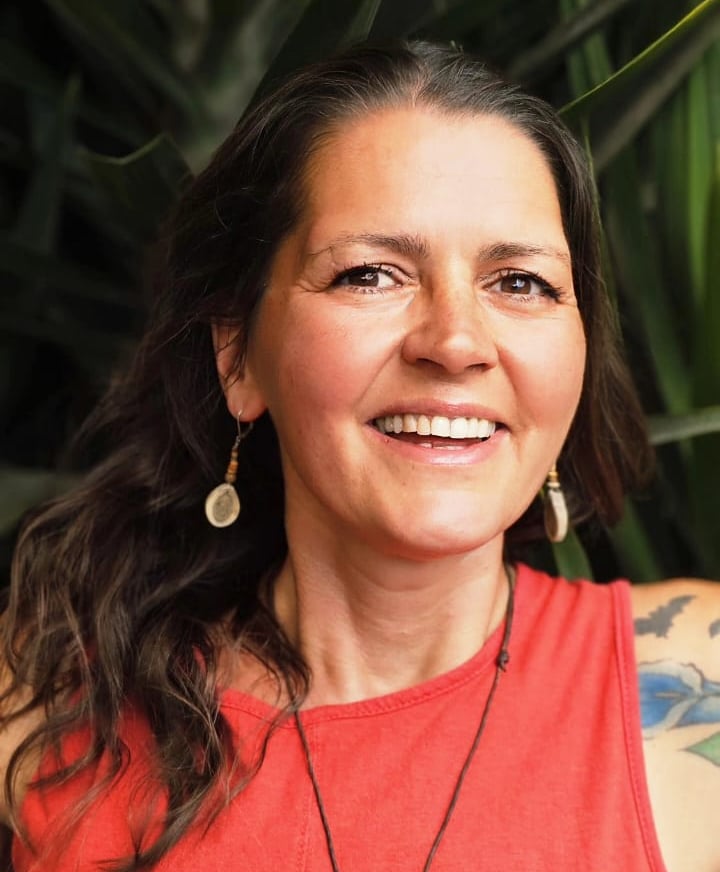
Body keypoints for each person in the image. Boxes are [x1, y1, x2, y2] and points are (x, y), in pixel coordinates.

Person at [1, 40, 718, 872]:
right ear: (238, 358)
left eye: (520, 282)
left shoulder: (695, 681)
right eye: (371, 274)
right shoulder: (46, 711)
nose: (455, 341)